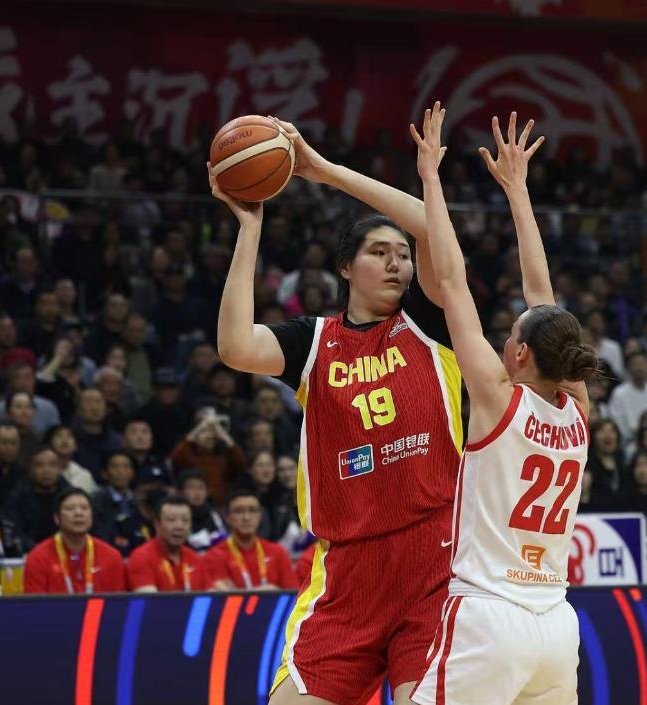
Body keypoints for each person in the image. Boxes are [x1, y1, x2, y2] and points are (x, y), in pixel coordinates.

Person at [212, 113, 462, 705]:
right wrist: (250, 227)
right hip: (346, 574)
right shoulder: (314, 341)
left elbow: (430, 226)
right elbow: (235, 346)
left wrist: (323, 171)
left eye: (401, 254)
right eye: (379, 252)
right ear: (346, 268)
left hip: (434, 564)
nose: (397, 263)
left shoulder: (430, 322)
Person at [409, 106, 592, 705]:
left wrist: (430, 179)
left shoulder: (496, 398)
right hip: (556, 625)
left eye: (511, 333)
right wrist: (518, 191)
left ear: (519, 354)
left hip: (489, 616)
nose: (505, 337)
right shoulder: (578, 409)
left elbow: (451, 282)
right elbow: (543, 296)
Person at [23, 487, 126, 594]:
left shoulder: (111, 557)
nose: (78, 513)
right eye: (70, 508)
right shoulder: (38, 558)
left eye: (84, 508)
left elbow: (118, 602)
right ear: (57, 518)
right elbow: (35, 604)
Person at [204, 489, 299, 591]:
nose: (246, 517)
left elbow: (293, 594)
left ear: (260, 515)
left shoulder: (278, 553)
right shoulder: (214, 556)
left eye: (252, 510)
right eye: (238, 511)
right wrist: (268, 592)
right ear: (227, 517)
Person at [126, 496, 207, 592]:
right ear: (157, 524)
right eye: (171, 520)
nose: (179, 527)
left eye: (185, 520)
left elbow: (210, 596)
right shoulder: (141, 557)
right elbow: (149, 600)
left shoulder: (195, 559)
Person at [168, 408, 245, 507]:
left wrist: (221, 432)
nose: (209, 436)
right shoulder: (189, 456)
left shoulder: (223, 460)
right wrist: (201, 426)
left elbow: (241, 463)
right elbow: (176, 456)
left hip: (219, 507)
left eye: (212, 432)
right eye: (204, 432)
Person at [7, 446, 71, 543]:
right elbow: (14, 531)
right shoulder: (17, 499)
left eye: (52, 465)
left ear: (59, 469)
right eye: (39, 465)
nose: (46, 470)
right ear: (31, 469)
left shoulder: (71, 498)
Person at [179, 468, 228, 551]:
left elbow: (224, 542)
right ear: (181, 492)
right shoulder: (177, 518)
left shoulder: (215, 515)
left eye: (201, 487)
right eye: (191, 487)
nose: (197, 492)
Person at [46, 424, 100, 496]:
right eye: (59, 436)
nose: (64, 440)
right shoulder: (45, 473)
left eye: (69, 436)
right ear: (50, 444)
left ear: (76, 446)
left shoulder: (84, 475)